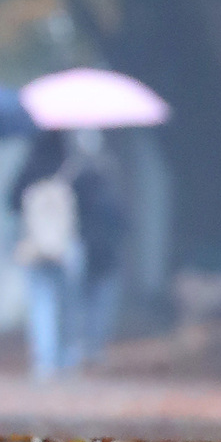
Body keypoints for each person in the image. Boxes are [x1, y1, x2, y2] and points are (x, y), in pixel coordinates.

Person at [10, 132, 82, 379]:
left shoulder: (29, 172)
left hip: (35, 247)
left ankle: (45, 362)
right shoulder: (73, 170)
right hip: (66, 247)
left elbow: (11, 201)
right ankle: (67, 359)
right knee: (68, 306)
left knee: (42, 305)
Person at [69, 130, 127, 362]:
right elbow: (123, 221)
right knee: (99, 303)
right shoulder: (110, 186)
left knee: (79, 303)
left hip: (84, 249)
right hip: (103, 252)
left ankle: (80, 346)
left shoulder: (72, 180)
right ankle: (93, 347)